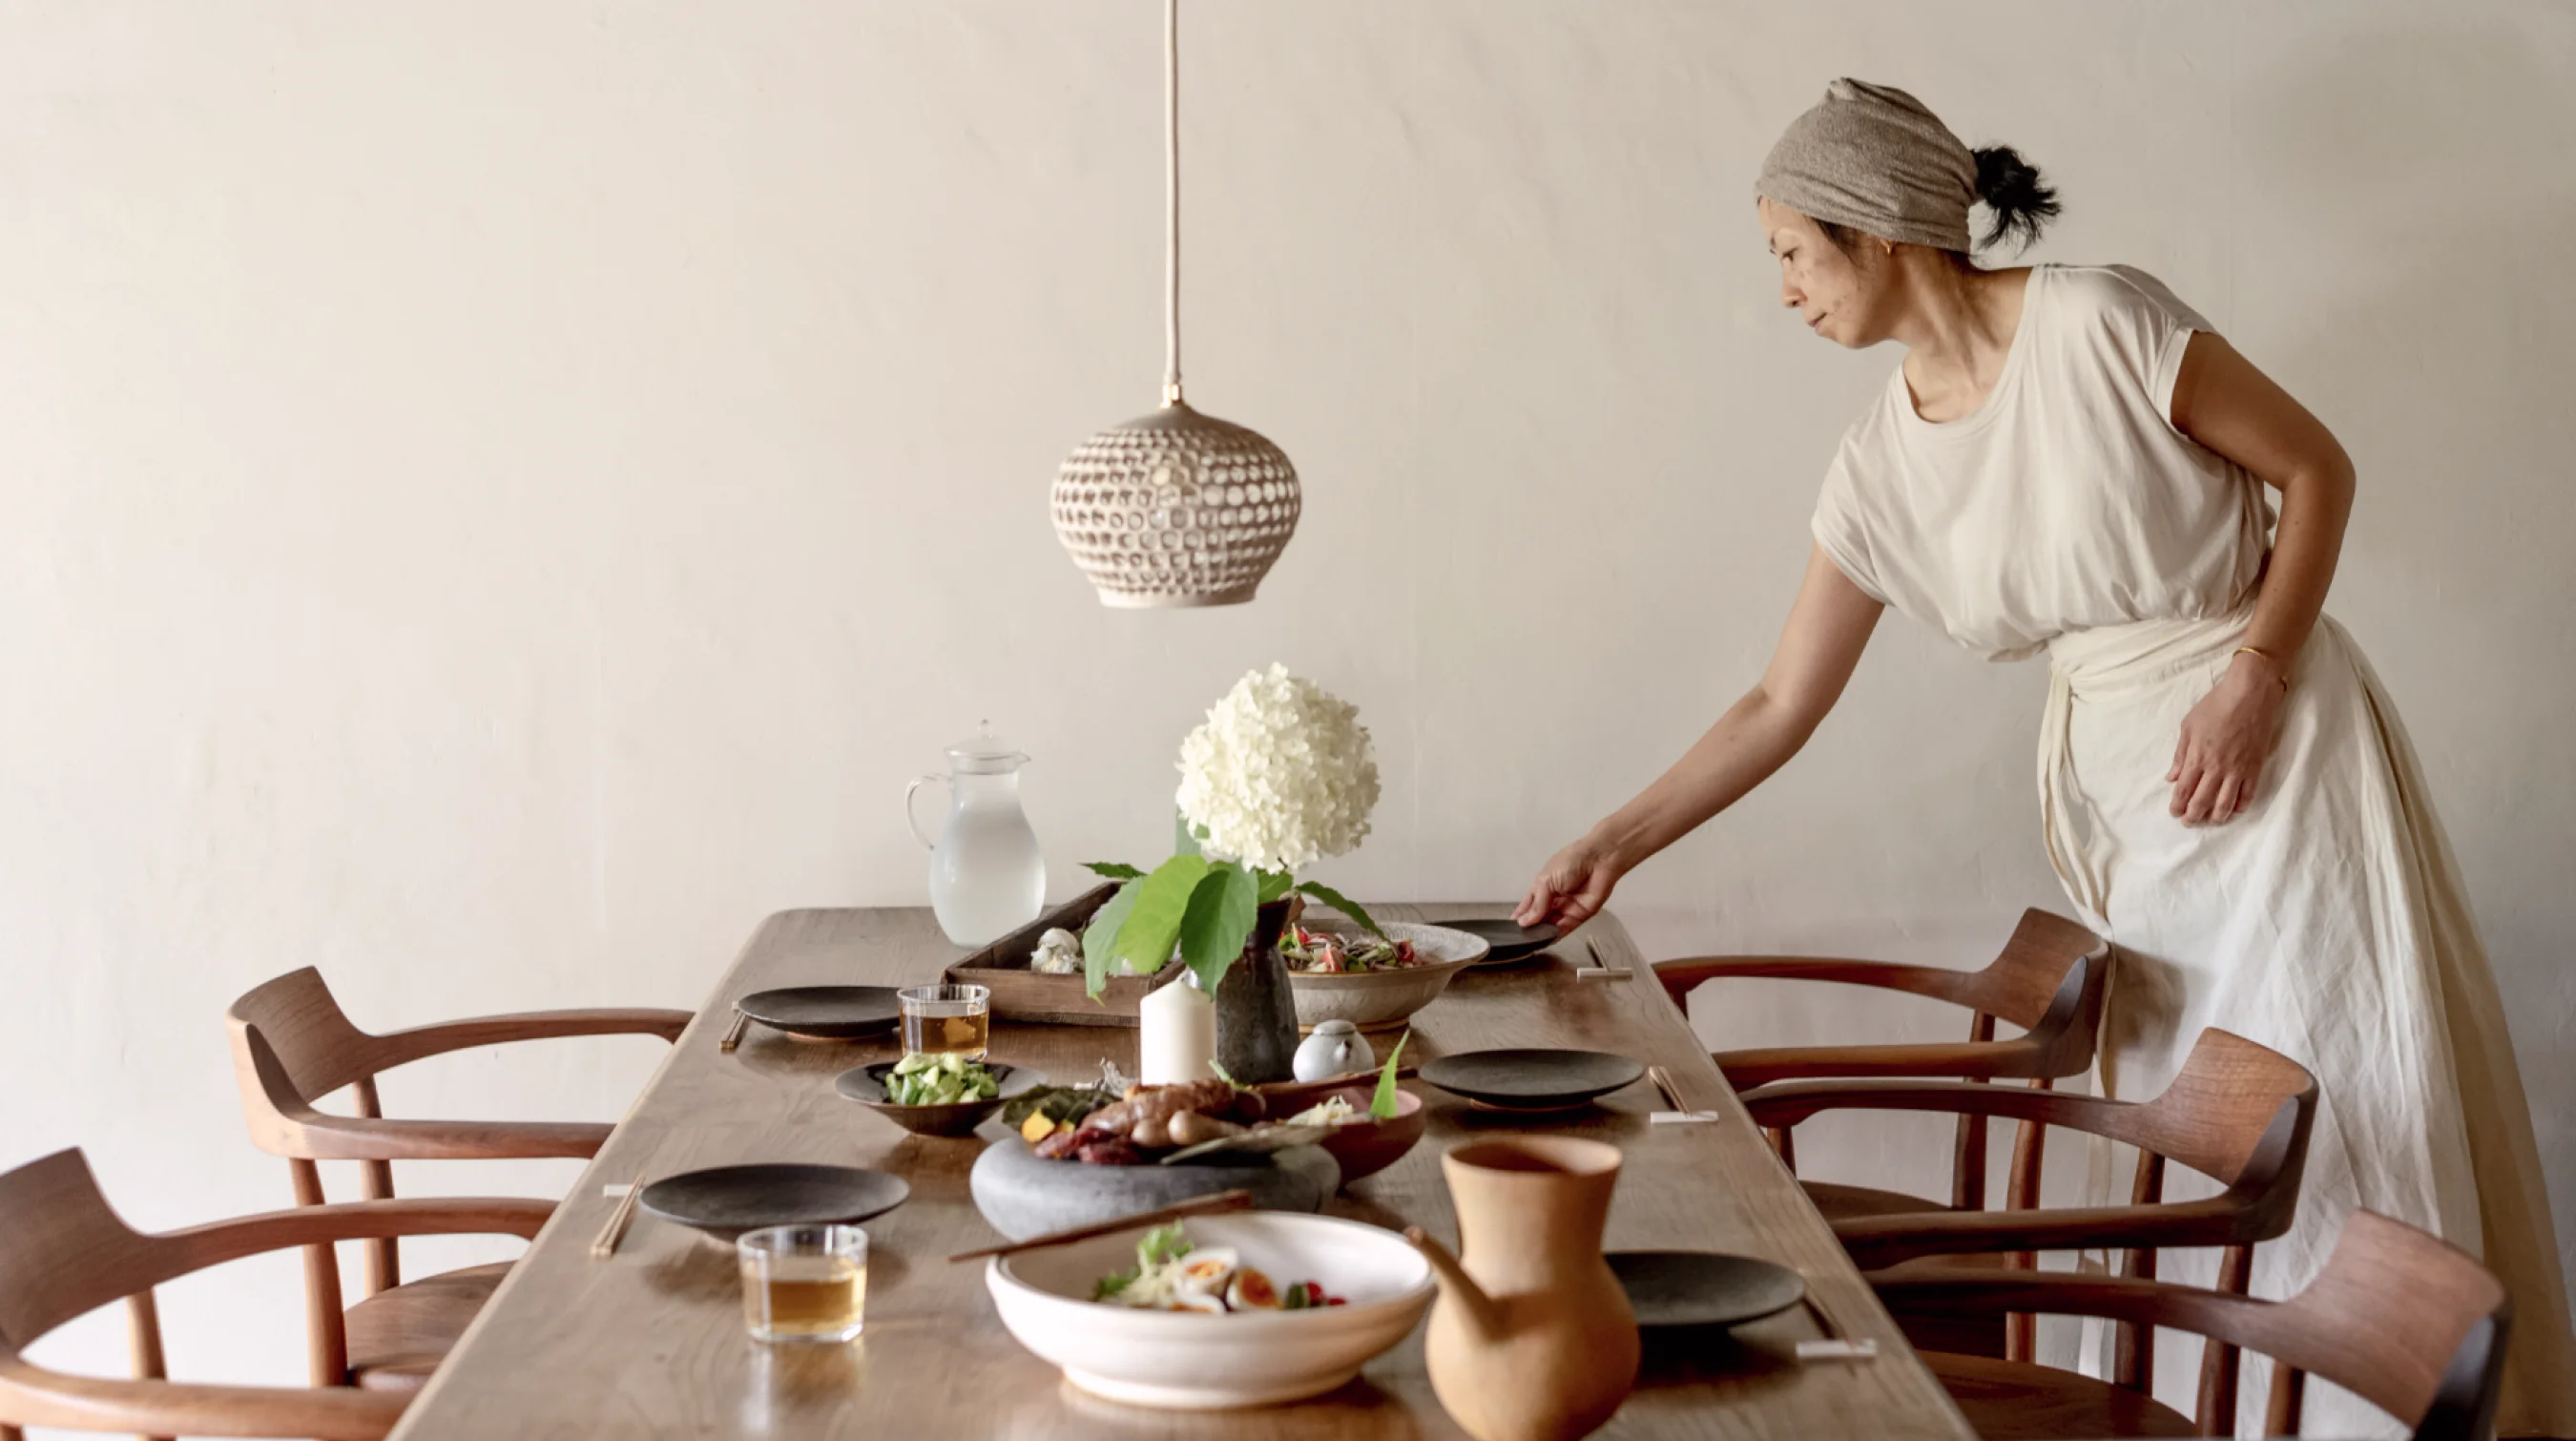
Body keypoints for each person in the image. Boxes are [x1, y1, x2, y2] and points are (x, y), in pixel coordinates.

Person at [1516, 77, 2574, 1436]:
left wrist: (2256, 672)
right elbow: (1781, 697)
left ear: (1879, 232)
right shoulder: (1881, 465)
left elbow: (2317, 470)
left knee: (2341, 1083)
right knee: (2200, 1133)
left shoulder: (2103, 321)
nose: (1783, 289)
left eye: (1791, 250)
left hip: (2280, 761)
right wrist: (1615, 840)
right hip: (2135, 805)